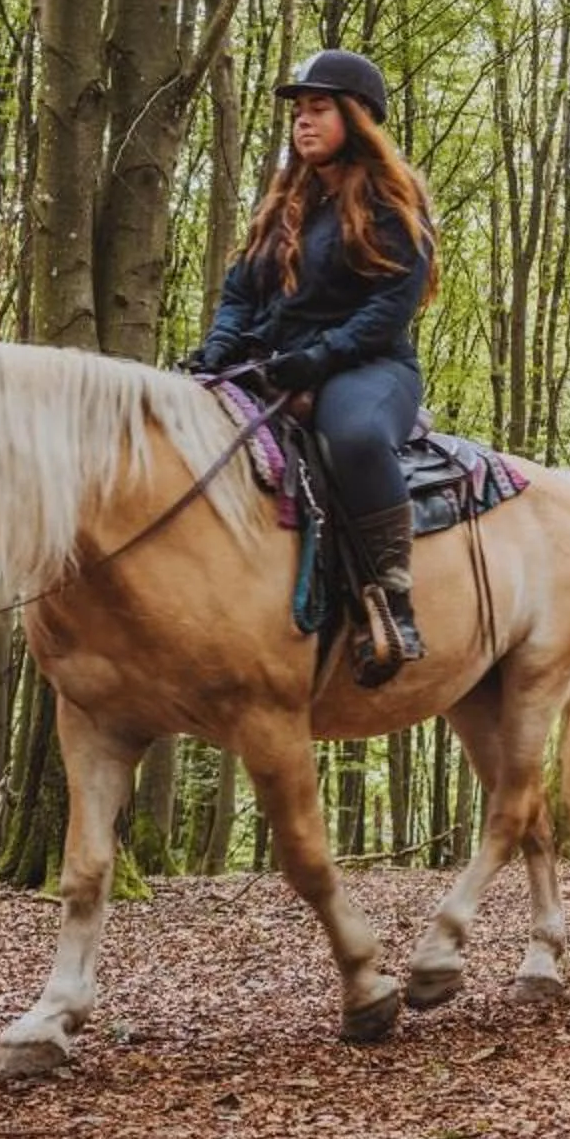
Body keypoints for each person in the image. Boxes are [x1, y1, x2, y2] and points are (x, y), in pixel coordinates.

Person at [185, 49, 438, 685]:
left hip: (370, 367)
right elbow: (240, 293)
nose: (303, 122)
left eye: (319, 109)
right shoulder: (281, 205)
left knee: (349, 436)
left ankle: (392, 600)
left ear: (357, 118)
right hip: (274, 364)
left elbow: (389, 306)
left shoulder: (391, 201)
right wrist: (217, 352)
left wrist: (318, 360)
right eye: (298, 111)